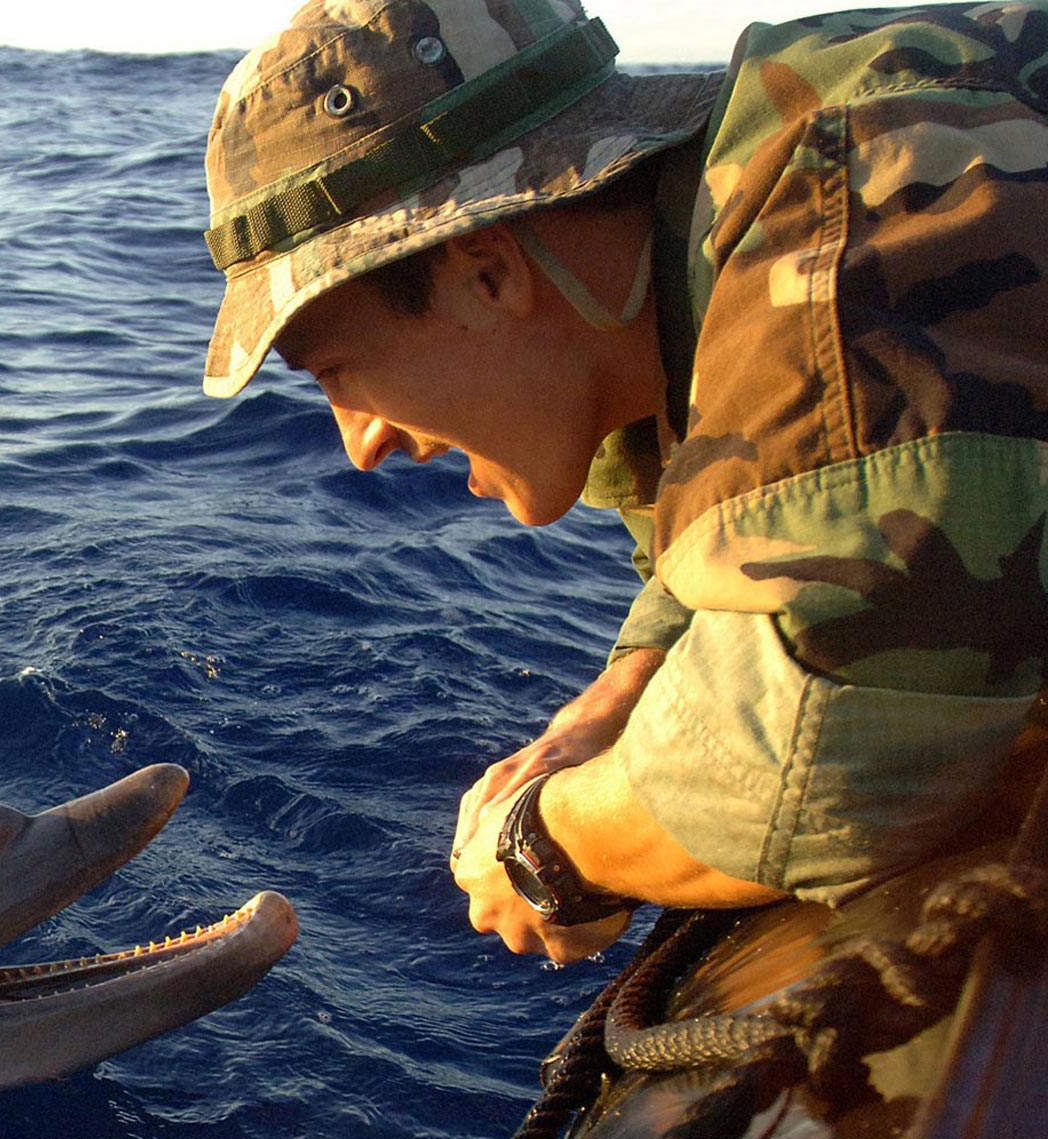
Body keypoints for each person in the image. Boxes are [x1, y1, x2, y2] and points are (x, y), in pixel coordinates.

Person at [202, 0, 1048, 962]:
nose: (361, 445)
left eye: (337, 373)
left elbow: (830, 763)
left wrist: (548, 849)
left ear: (487, 272)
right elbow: (762, 523)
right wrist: (620, 696)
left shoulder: (844, 225)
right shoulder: (682, 290)